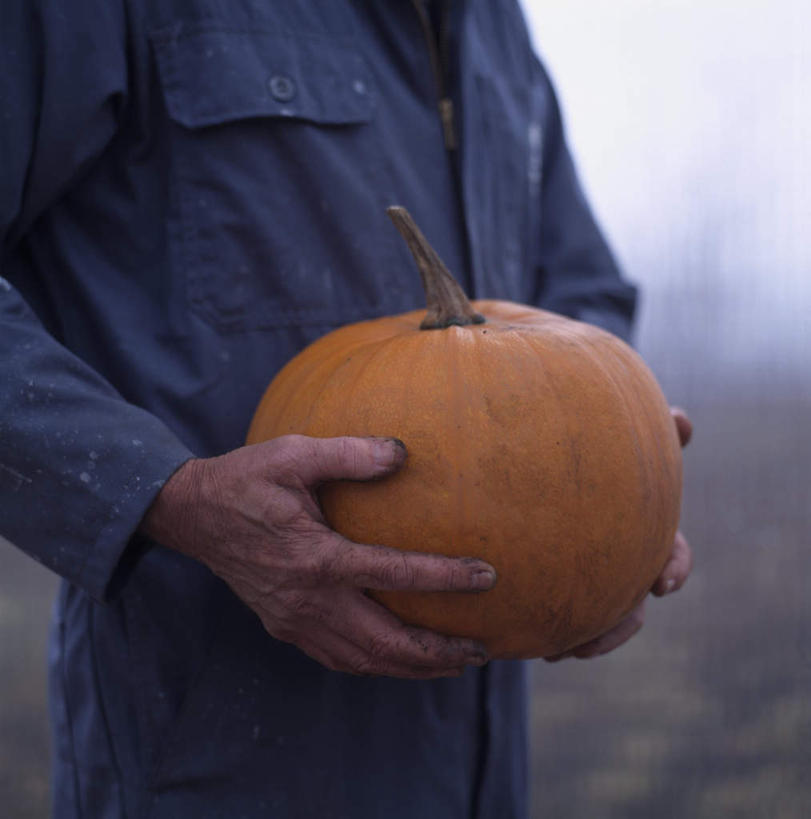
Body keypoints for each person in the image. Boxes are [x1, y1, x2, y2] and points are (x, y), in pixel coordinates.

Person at [0, 1, 692, 816]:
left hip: (482, 748)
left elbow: (578, 283)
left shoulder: (491, 20)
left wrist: (607, 453)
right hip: (207, 739)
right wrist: (163, 491)